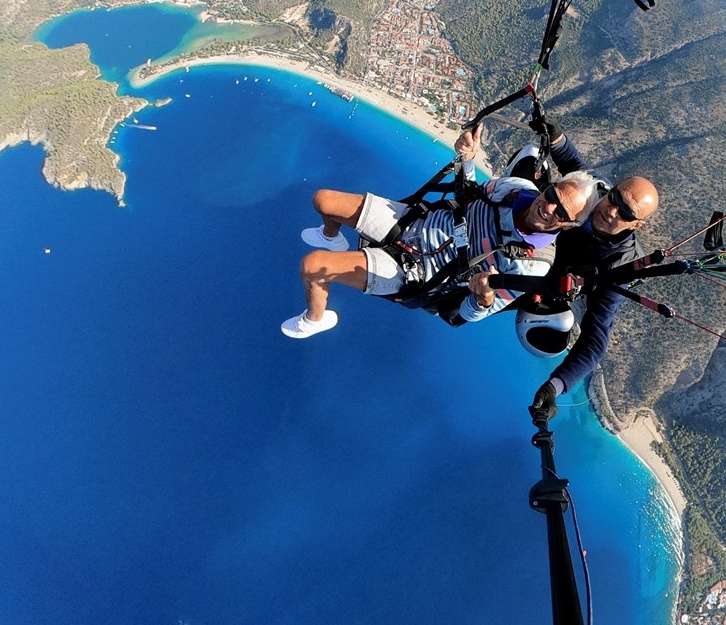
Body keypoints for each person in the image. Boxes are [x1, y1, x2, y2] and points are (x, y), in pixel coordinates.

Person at [455, 120, 660, 419]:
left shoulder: (621, 266)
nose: (611, 210)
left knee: (469, 304)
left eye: (625, 213)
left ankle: (454, 296)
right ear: (612, 190)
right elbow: (575, 165)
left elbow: (595, 339)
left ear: (636, 224)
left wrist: (556, 386)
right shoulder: (600, 193)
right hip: (535, 233)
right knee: (532, 158)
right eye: (614, 198)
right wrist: (557, 136)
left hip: (537, 278)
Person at [280, 151, 602, 338]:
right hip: (414, 222)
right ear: (550, 187)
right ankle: (331, 236)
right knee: (322, 200)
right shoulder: (517, 189)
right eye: (553, 195)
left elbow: (465, 315)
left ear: (569, 224)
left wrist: (482, 297)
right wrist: (468, 159)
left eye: (561, 212)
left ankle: (316, 318)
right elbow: (473, 190)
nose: (548, 208)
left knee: (312, 267)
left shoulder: (533, 265)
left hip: (417, 271)